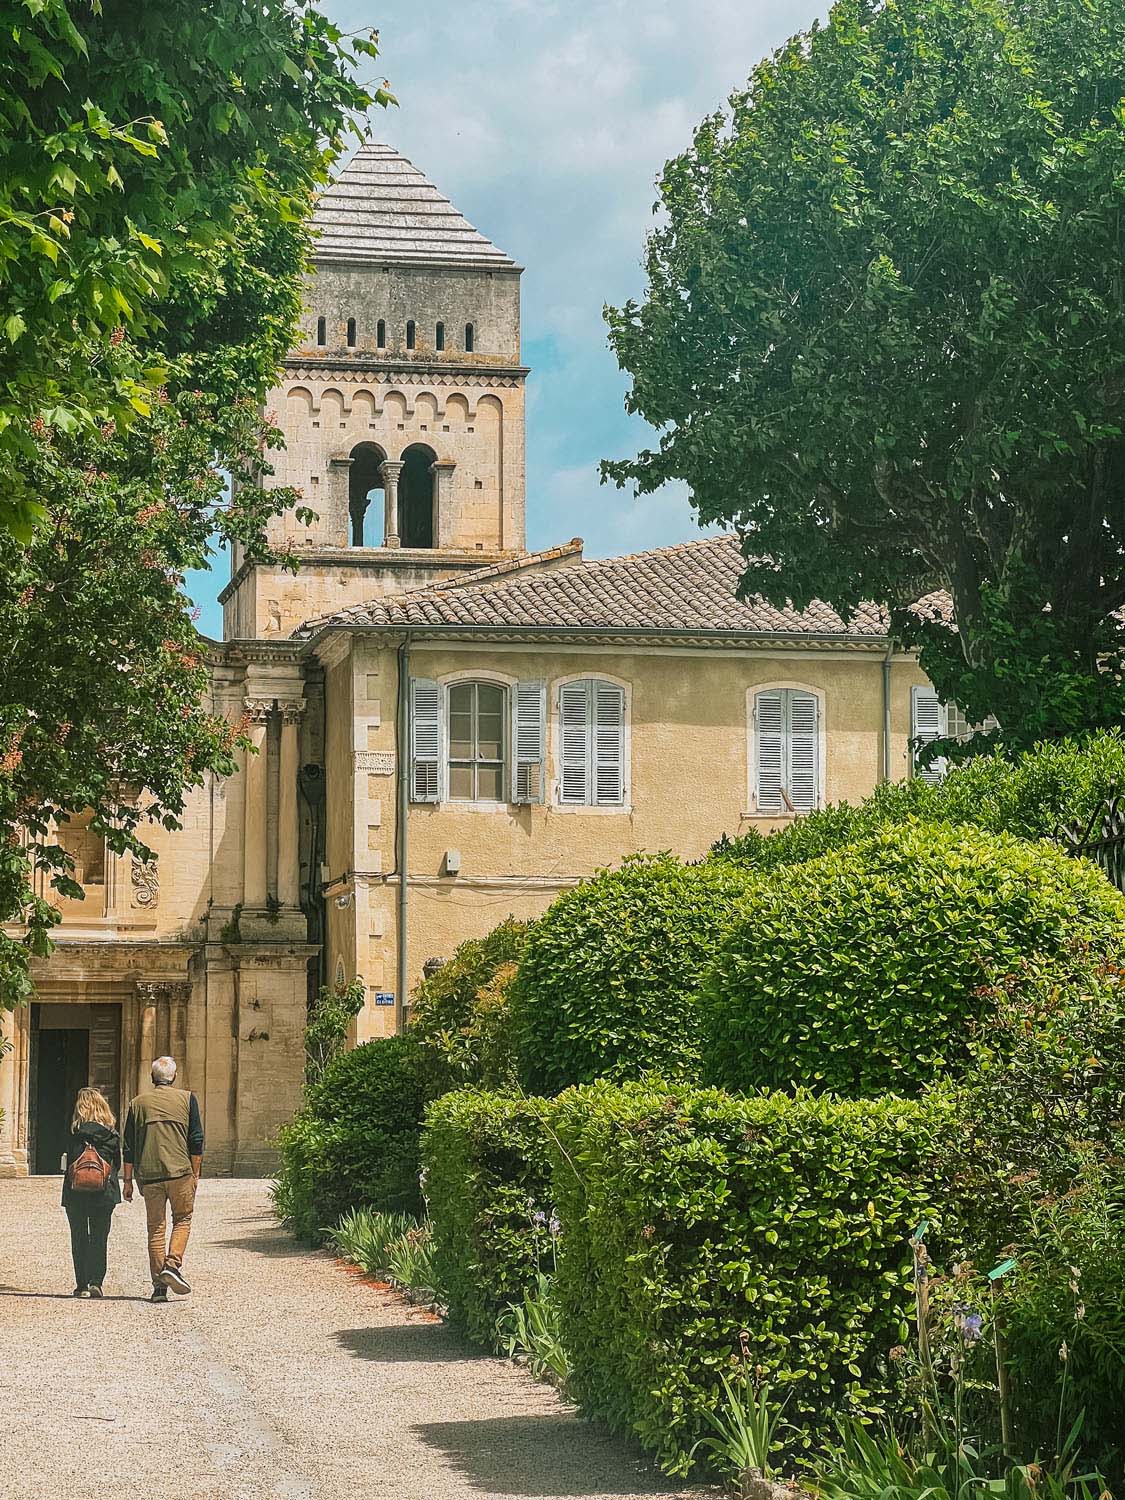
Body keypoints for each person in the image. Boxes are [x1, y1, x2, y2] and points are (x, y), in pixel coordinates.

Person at [123, 1056, 204, 1302]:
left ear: (152, 1078)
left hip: (150, 1174)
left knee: (156, 1229)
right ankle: (172, 1264)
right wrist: (195, 1173)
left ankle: (159, 1288)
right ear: (174, 1077)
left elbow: (128, 1146)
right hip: (180, 1171)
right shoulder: (187, 1099)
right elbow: (196, 1139)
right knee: (183, 1219)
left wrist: (127, 1181)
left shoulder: (137, 1103)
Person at [61, 1086, 121, 1298]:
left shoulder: (73, 1133)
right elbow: (117, 1164)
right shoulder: (111, 1135)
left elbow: (68, 1161)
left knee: (78, 1236)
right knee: (99, 1236)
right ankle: (96, 1281)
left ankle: (82, 1285)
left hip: (76, 1191)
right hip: (104, 1192)